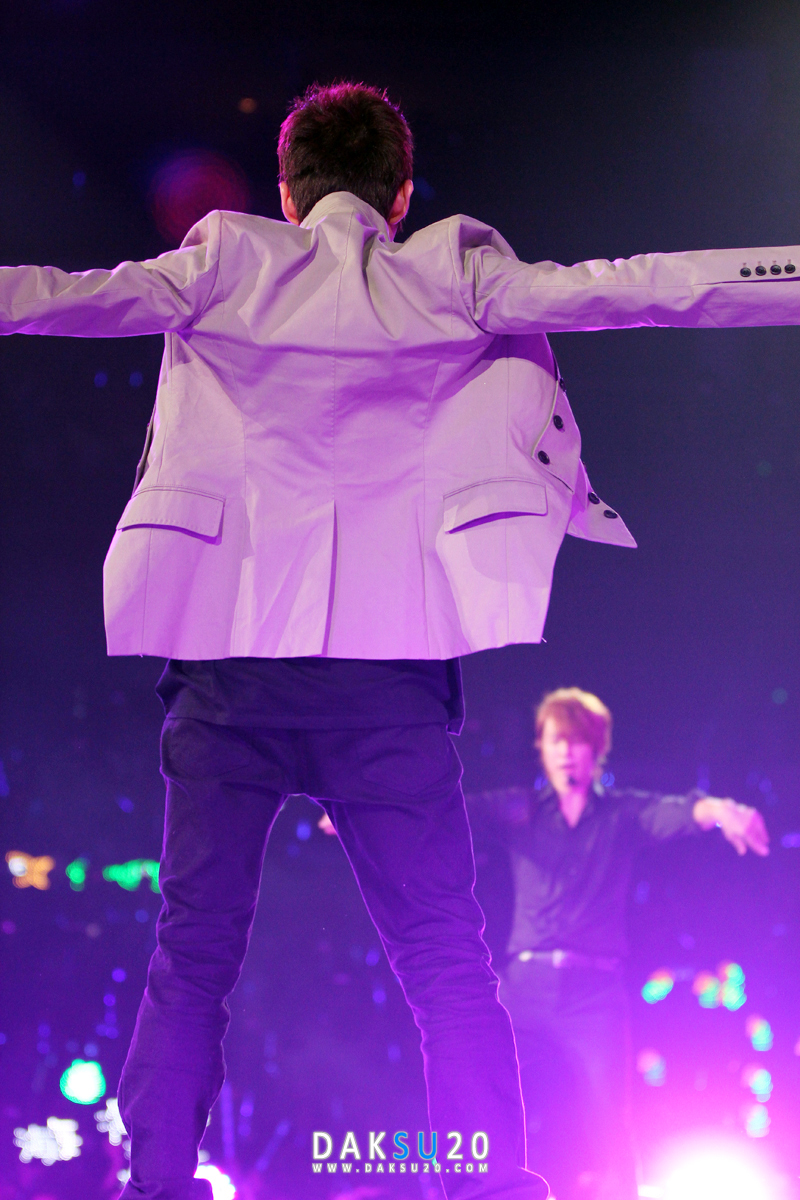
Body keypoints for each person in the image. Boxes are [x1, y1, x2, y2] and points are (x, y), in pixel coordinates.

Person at [0, 79, 791, 1200]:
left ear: (286, 193)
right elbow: (637, 287)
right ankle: (485, 1184)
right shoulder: (448, 267)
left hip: (230, 673)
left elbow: (46, 296)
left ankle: (158, 1184)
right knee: (444, 960)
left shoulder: (224, 257)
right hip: (386, 684)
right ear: (401, 194)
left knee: (193, 956)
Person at [467, 688, 769, 1200]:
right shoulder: (521, 810)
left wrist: (725, 809)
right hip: (525, 990)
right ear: (541, 746)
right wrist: (366, 820)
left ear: (597, 749)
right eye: (557, 740)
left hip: (594, 996)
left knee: (610, 1126)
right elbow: (454, 811)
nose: (567, 752)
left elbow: (681, 812)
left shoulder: (621, 815)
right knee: (486, 1099)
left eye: (578, 742)